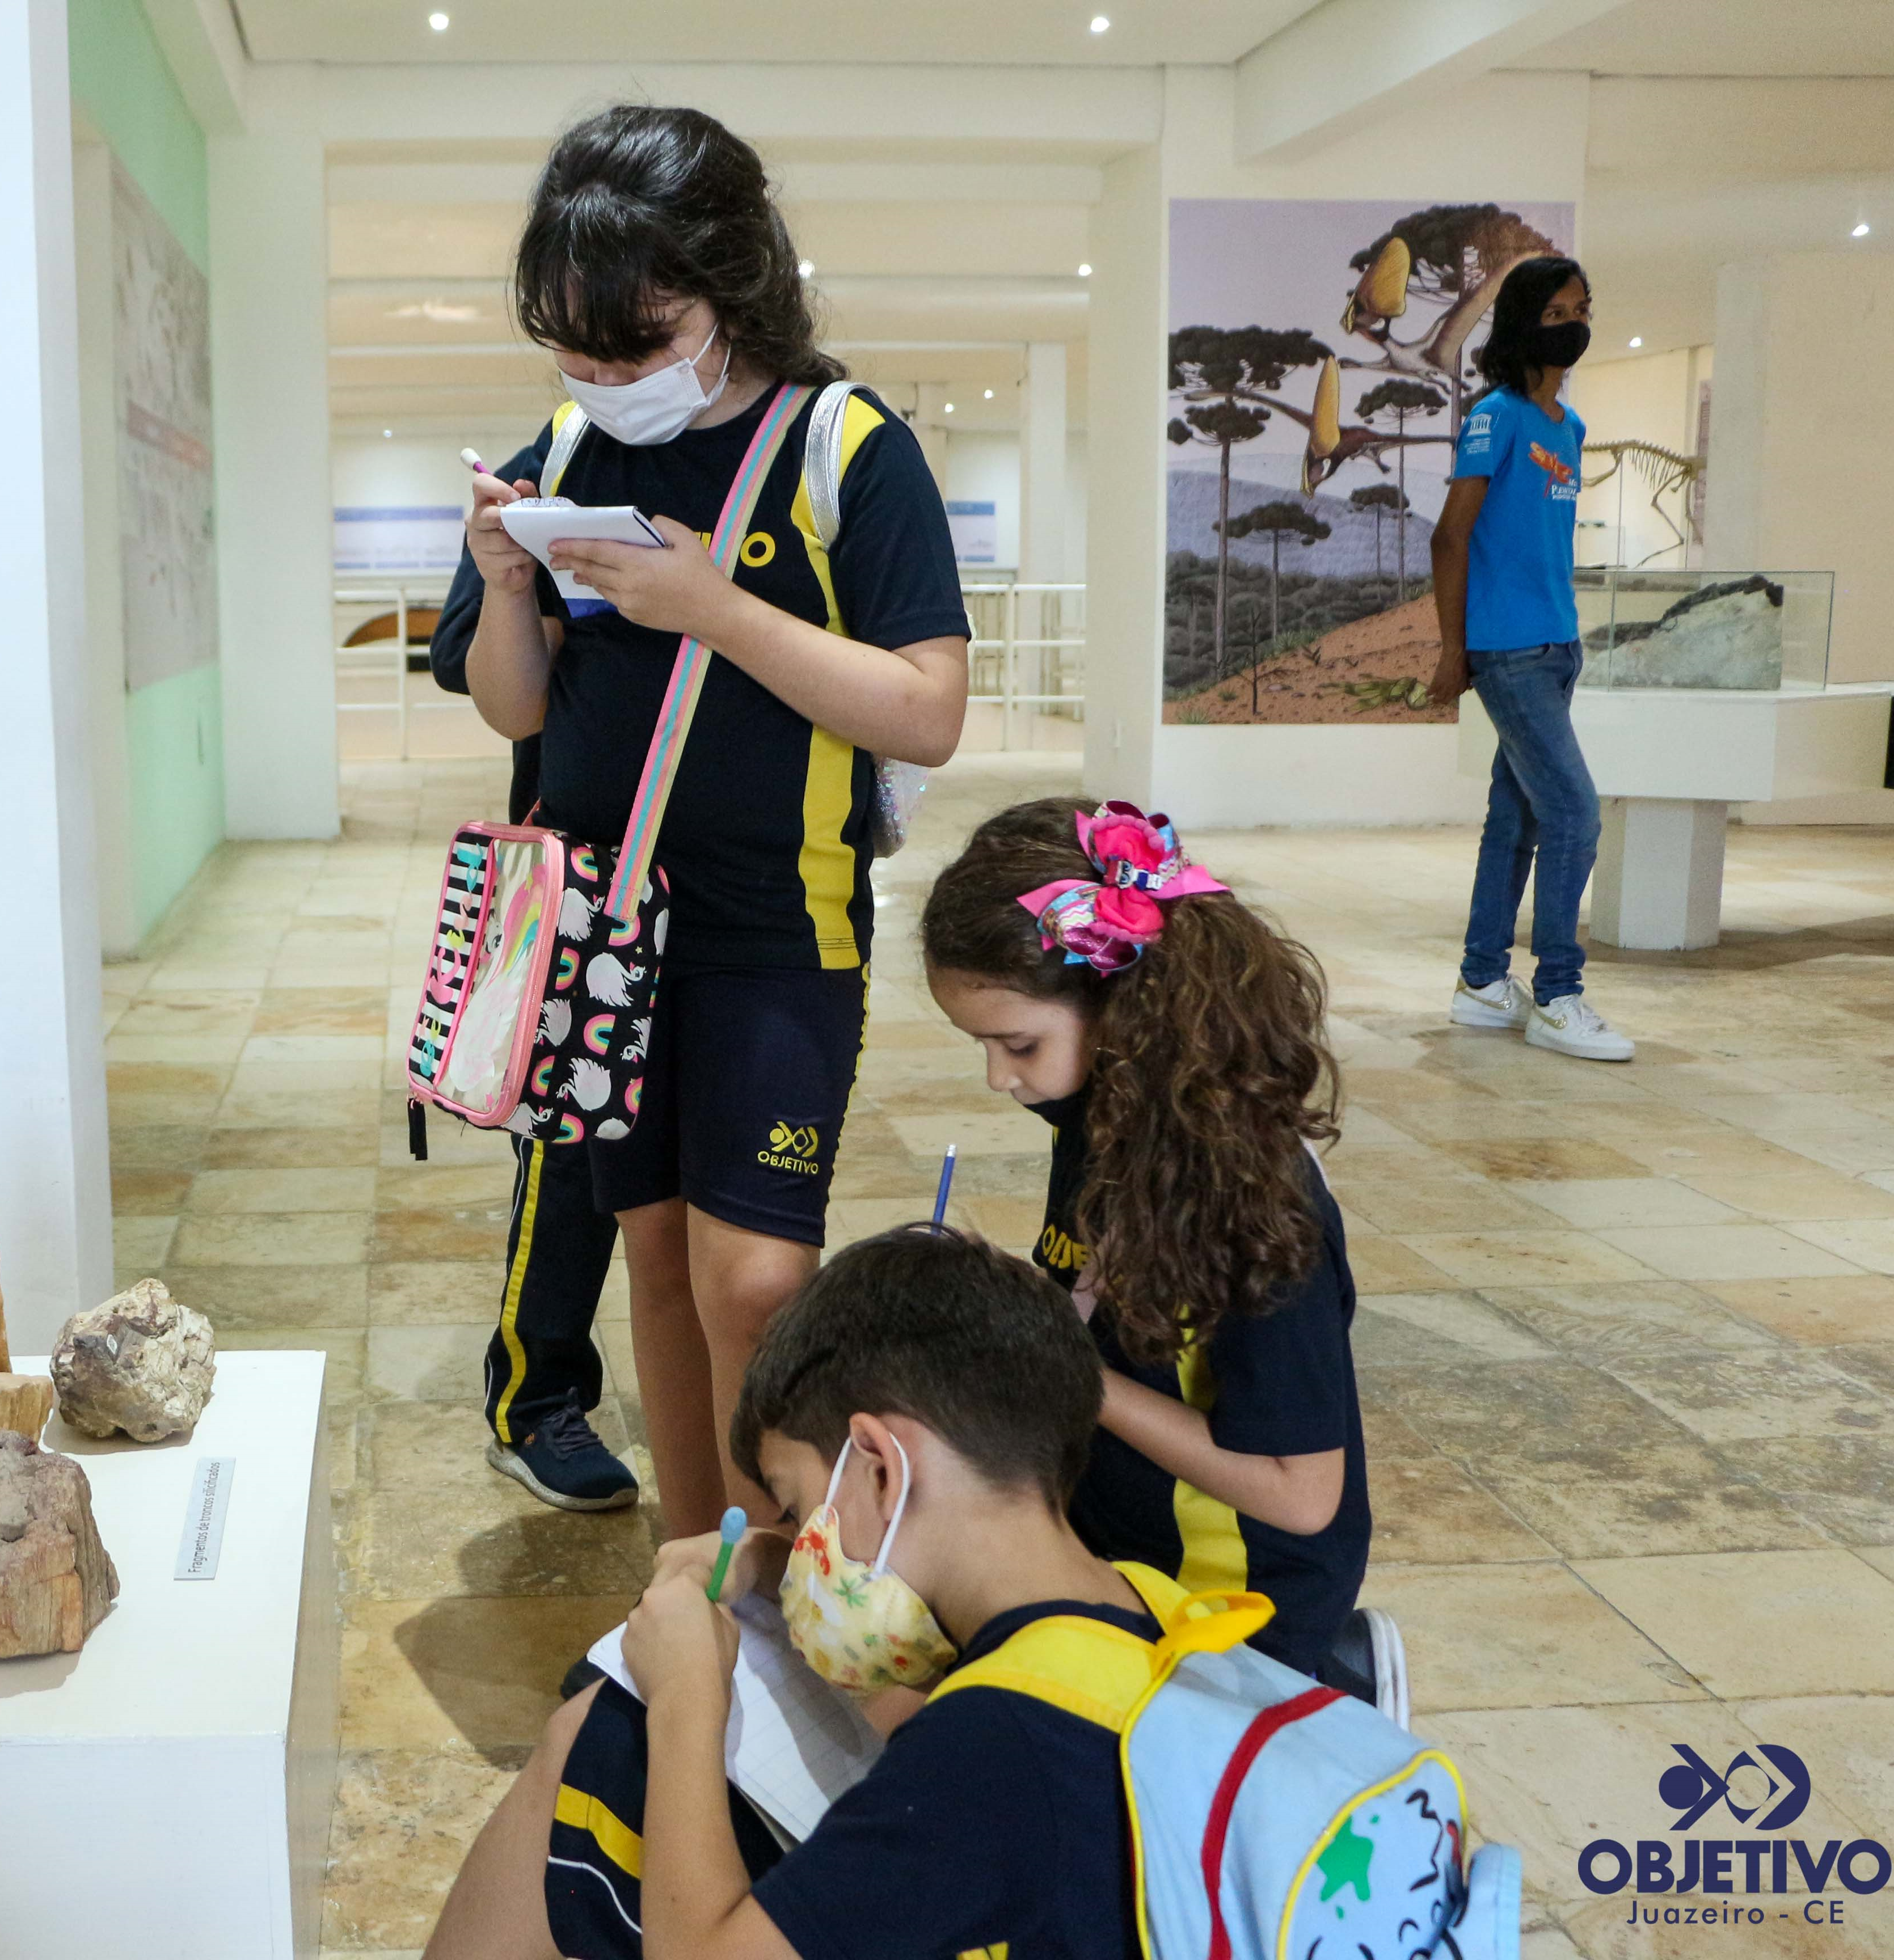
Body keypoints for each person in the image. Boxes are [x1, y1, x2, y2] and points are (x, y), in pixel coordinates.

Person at [463, 104, 973, 1539]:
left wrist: (715, 608)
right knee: (656, 1252)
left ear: (733, 286)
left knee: (756, 1280)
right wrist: (508, 584)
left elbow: (926, 709)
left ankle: (780, 1576)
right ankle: (700, 1578)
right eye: (572, 343)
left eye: (638, 337)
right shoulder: (566, 442)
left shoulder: (844, 446)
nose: (604, 374)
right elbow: (513, 711)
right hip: (603, 929)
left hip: (775, 925)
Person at [423, 1226, 1175, 1960]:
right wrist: (781, 1562)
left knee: (612, 1737)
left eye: (796, 1504)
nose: (809, 1542)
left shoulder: (996, 1745)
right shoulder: (1145, 1606)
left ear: (880, 1463)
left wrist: (688, 1692)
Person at [919, 799, 1403, 1717]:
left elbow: (1302, 1496)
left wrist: (1079, 1380)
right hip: (1122, 1533)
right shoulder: (1100, 1112)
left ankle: (1328, 1681)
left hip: (1233, 1598)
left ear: (1121, 1010)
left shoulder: (1250, 1202)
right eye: (981, 1045)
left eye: (1016, 1044)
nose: (997, 1078)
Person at [426, 453, 640, 1514]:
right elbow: (486, 680)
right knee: (570, 1157)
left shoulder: (783, 468)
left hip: (748, 890)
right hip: (588, 879)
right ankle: (535, 1398)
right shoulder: (545, 474)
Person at [1430, 255, 1635, 1063]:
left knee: (1516, 818)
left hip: (1559, 646)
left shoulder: (1570, 428)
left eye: (1582, 308)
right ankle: (1558, 994)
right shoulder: (1497, 416)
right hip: (1508, 650)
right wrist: (1455, 650)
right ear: (1523, 323)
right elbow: (1452, 534)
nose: (1574, 324)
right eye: (1556, 313)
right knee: (1577, 813)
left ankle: (1483, 983)